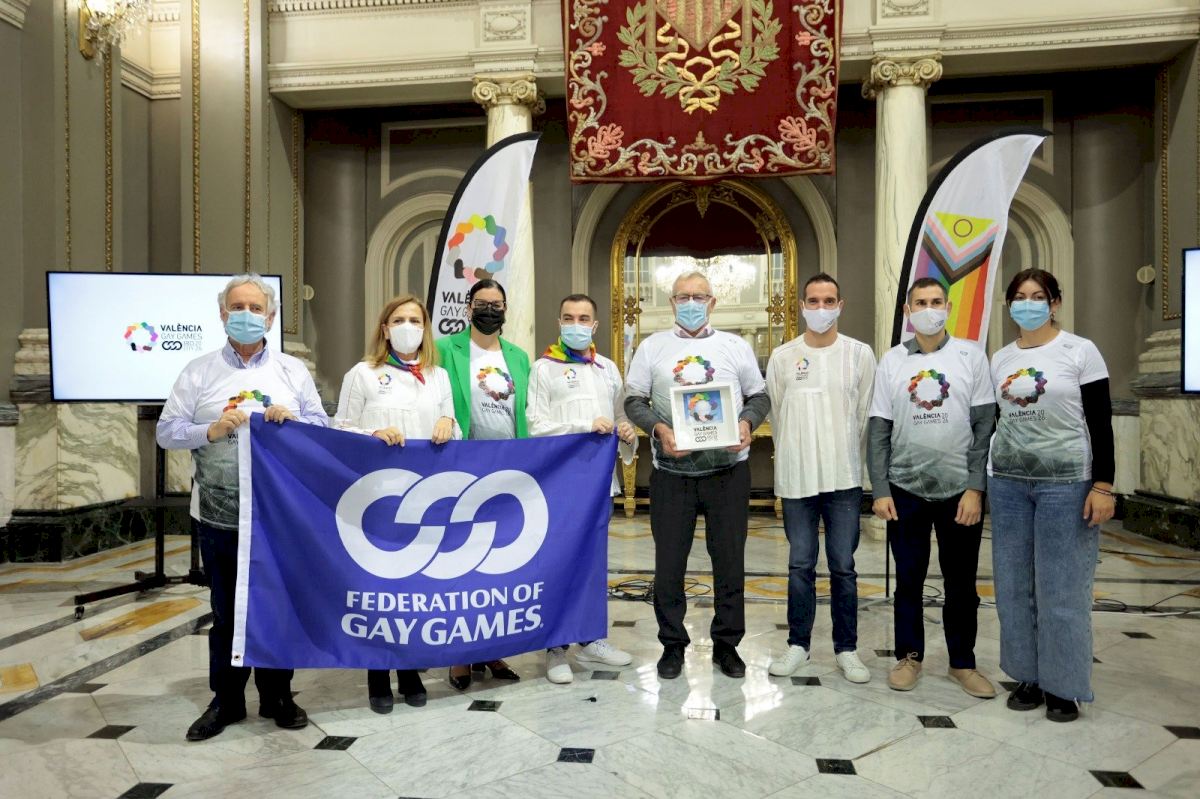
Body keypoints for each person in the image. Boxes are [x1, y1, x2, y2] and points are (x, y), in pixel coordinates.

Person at [157, 273, 328, 742]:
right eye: (238, 307)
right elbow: (166, 431)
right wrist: (209, 431)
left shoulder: (292, 371)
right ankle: (227, 700)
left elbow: (321, 424)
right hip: (219, 515)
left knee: (276, 606)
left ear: (270, 318)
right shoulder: (198, 372)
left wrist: (293, 422)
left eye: (256, 308)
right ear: (222, 314)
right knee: (227, 612)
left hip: (278, 517)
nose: (246, 315)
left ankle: (278, 696)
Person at [624, 272, 770, 680]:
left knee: (730, 562)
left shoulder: (735, 347)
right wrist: (659, 428)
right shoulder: (652, 347)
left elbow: (759, 395)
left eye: (700, 296)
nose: (691, 303)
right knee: (669, 565)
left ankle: (727, 645)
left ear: (713, 302)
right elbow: (633, 400)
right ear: (672, 302)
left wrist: (746, 422)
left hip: (728, 474)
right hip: (672, 475)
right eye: (684, 296)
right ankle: (672, 645)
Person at [988, 268, 1115, 723]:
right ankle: (1029, 675)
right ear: (1009, 306)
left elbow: (1100, 421)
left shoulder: (1080, 351)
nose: (1029, 304)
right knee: (1013, 586)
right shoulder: (1000, 358)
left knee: (1062, 588)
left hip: (1066, 483)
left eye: (1038, 296)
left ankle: (1063, 685)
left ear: (1055, 302)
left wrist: (1103, 485)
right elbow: (997, 420)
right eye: (1020, 297)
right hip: (1008, 482)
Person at [867, 277, 997, 697]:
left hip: (960, 491)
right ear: (908, 311)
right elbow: (879, 430)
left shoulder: (971, 357)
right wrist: (880, 489)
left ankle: (963, 663)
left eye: (936, 301)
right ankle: (909, 657)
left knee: (961, 583)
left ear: (948, 307)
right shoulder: (892, 362)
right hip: (905, 488)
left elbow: (984, 427)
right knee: (908, 580)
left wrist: (976, 488)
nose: (929, 309)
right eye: (920, 302)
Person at [334, 294, 458, 713]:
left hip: (424, 498)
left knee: (415, 589)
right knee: (379, 588)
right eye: (399, 320)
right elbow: (340, 429)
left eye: (416, 320)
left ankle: (408, 669)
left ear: (425, 328)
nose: (408, 327)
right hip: (376, 497)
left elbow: (453, 428)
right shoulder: (362, 374)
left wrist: (449, 423)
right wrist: (371, 435)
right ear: (385, 328)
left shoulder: (438, 376)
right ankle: (377, 673)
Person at [765, 273, 874, 684]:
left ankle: (847, 649)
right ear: (802, 306)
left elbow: (863, 417)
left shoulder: (859, 354)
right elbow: (778, 414)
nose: (821, 308)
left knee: (843, 566)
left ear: (840, 305)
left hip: (843, 478)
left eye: (829, 301)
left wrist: (838, 451)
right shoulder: (783, 357)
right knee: (800, 565)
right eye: (813, 301)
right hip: (798, 479)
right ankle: (798, 645)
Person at [528, 293, 636, 684]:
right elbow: (535, 425)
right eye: (569, 317)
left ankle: (591, 638)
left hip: (598, 483)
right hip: (558, 483)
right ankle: (555, 647)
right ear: (559, 322)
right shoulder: (544, 368)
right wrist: (583, 426)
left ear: (595, 325)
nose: (576, 324)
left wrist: (627, 433)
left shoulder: (608, 369)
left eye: (584, 318)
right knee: (558, 562)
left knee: (593, 563)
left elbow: (622, 417)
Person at [435, 278, 530, 689]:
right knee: (461, 561)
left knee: (497, 563)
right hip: (460, 466)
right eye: (482, 303)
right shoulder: (445, 349)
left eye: (497, 303)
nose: (490, 309)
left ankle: (491, 648)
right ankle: (459, 655)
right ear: (468, 308)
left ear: (505, 309)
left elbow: (526, 410)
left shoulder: (518, 356)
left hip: (507, 469)